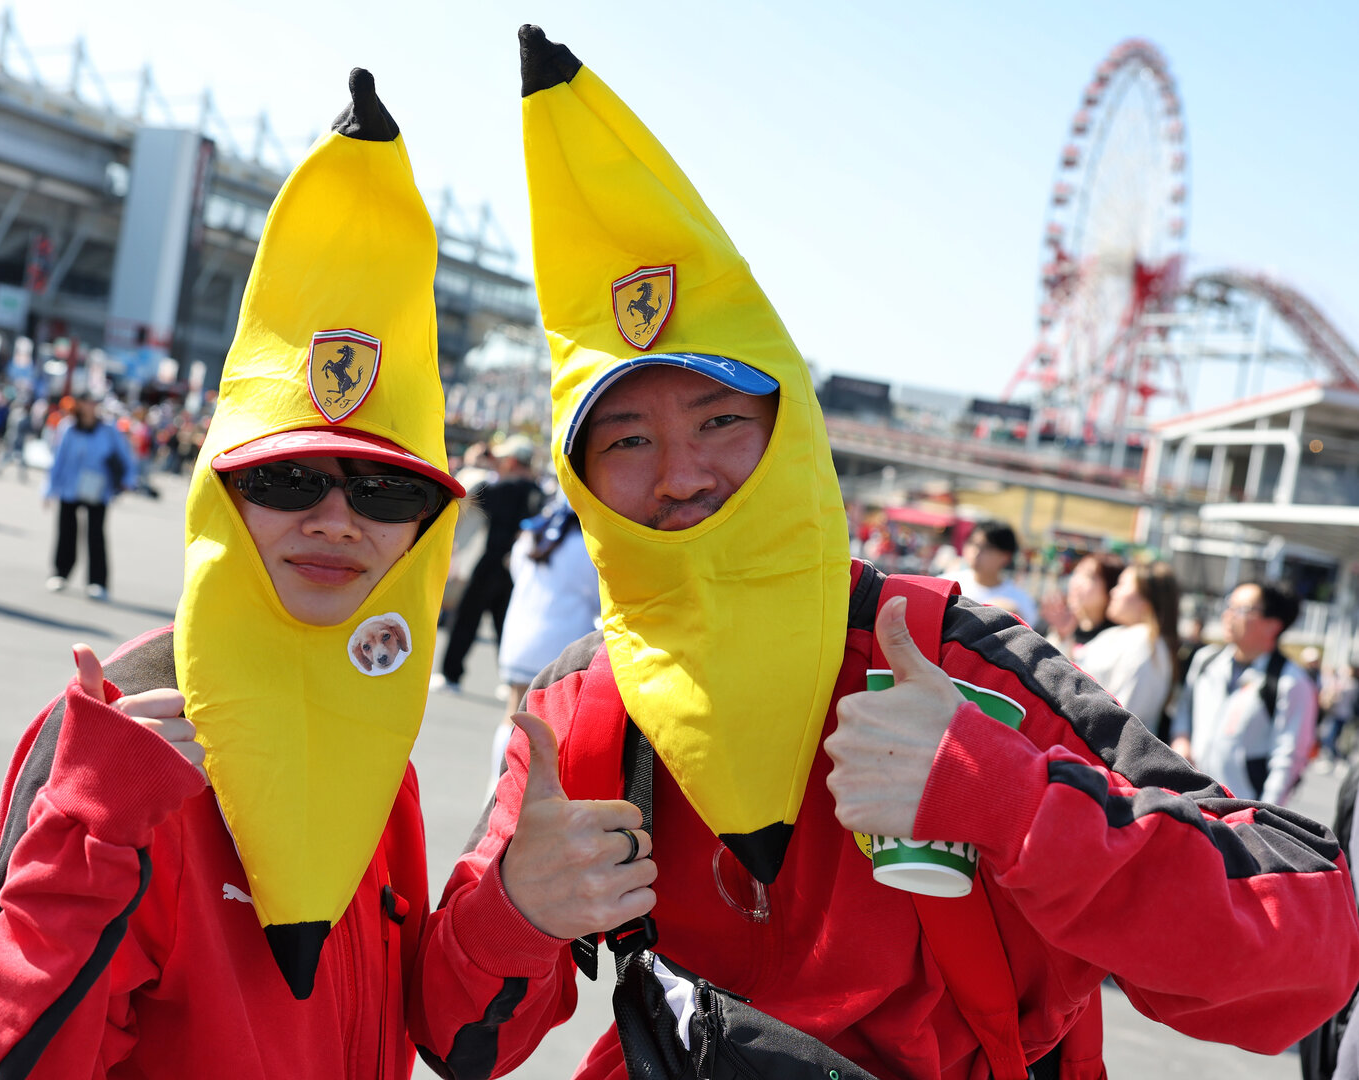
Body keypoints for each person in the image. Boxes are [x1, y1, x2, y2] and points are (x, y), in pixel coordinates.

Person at [409, 28, 1359, 1080]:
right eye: (626, 440)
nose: (679, 473)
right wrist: (515, 912)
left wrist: (1011, 801)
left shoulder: (954, 657)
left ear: (793, 432)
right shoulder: (577, 712)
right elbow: (455, 1035)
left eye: (719, 420)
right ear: (579, 473)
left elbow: (1308, 953)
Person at [0, 69, 464, 1078]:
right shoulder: (123, 737)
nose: (335, 519)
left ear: (426, 532)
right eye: (287, 478)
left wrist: (519, 901)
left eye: (386, 493)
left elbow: (443, 1028)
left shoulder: (378, 742)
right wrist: (90, 839)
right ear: (222, 499)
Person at [1171, 581, 1320, 805]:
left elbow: (1288, 760)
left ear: (1273, 625)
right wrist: (1181, 740)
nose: (1228, 615)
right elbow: (1185, 709)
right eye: (1229, 605)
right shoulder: (1206, 660)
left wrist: (1261, 815)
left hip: (1238, 810)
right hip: (1188, 797)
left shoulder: (1291, 682)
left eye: (1242, 609)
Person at [488, 497, 601, 780]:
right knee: (547, 728)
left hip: (519, 636)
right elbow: (601, 599)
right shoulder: (588, 546)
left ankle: (495, 786)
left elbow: (516, 574)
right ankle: (520, 790)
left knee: (512, 714)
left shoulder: (531, 533)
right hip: (562, 644)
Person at [432, 432, 543, 693]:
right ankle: (512, 680)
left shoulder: (503, 489)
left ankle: (451, 675)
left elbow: (465, 495)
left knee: (466, 619)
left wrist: (480, 464)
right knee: (506, 625)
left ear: (512, 461)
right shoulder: (537, 492)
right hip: (517, 568)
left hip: (491, 562)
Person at [42, 391, 136, 601]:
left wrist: (129, 480)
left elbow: (125, 456)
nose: (90, 406)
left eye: (93, 402)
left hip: (98, 489)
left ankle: (97, 581)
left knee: (96, 535)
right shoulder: (68, 428)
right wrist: (49, 489)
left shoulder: (108, 429)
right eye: (86, 401)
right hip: (70, 487)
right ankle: (60, 573)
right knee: (66, 532)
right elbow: (58, 459)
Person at [1076, 561, 1178, 732]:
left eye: (1122, 585)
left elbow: (1122, 716)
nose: (1113, 592)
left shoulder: (1145, 643)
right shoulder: (1119, 634)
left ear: (1145, 601)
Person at [944, 518, 1039, 628]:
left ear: (1006, 556)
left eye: (987, 547)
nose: (976, 552)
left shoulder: (1021, 601)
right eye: (972, 543)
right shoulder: (948, 585)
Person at [1040, 551, 1123, 659]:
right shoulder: (1052, 624)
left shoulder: (1115, 641)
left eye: (1088, 576)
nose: (1076, 582)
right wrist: (1061, 636)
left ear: (1110, 587)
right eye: (1076, 573)